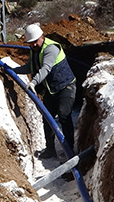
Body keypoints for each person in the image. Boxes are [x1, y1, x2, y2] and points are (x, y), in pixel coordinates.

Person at [13, 23, 77, 159]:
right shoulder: (34, 50)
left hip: (66, 86)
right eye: (30, 43)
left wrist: (34, 82)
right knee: (47, 118)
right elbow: (30, 67)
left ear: (42, 37)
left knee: (64, 115)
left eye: (35, 41)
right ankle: (50, 149)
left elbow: (46, 69)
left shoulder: (51, 49)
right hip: (51, 90)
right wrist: (12, 70)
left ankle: (70, 150)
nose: (33, 45)